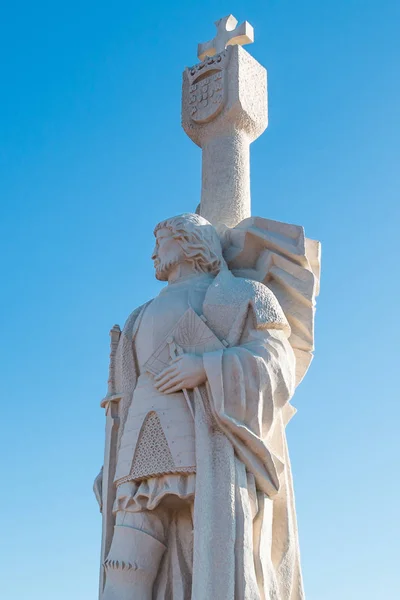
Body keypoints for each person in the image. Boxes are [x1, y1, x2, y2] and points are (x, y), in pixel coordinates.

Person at [96, 213, 304, 600]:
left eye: (161, 242)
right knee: (125, 563)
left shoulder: (245, 294)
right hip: (138, 450)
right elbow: (124, 394)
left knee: (210, 554)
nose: (153, 253)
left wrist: (208, 366)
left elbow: (279, 360)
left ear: (190, 242)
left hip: (209, 447)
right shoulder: (137, 316)